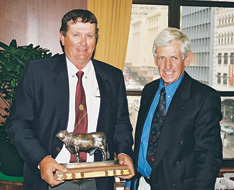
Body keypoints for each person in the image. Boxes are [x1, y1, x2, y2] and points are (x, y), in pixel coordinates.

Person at [7, 9, 134, 190]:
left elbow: (121, 123)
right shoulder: (37, 73)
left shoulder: (113, 77)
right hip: (51, 181)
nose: (83, 43)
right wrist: (41, 160)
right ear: (62, 37)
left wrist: (124, 152)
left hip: (97, 182)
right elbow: (17, 124)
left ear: (96, 39)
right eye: (76, 35)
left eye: (89, 36)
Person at [125, 27, 222, 190]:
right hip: (141, 184)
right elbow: (142, 143)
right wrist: (130, 182)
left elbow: (208, 160)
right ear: (155, 60)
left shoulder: (204, 98)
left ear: (187, 58)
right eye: (162, 57)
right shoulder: (148, 91)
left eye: (174, 58)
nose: (167, 66)